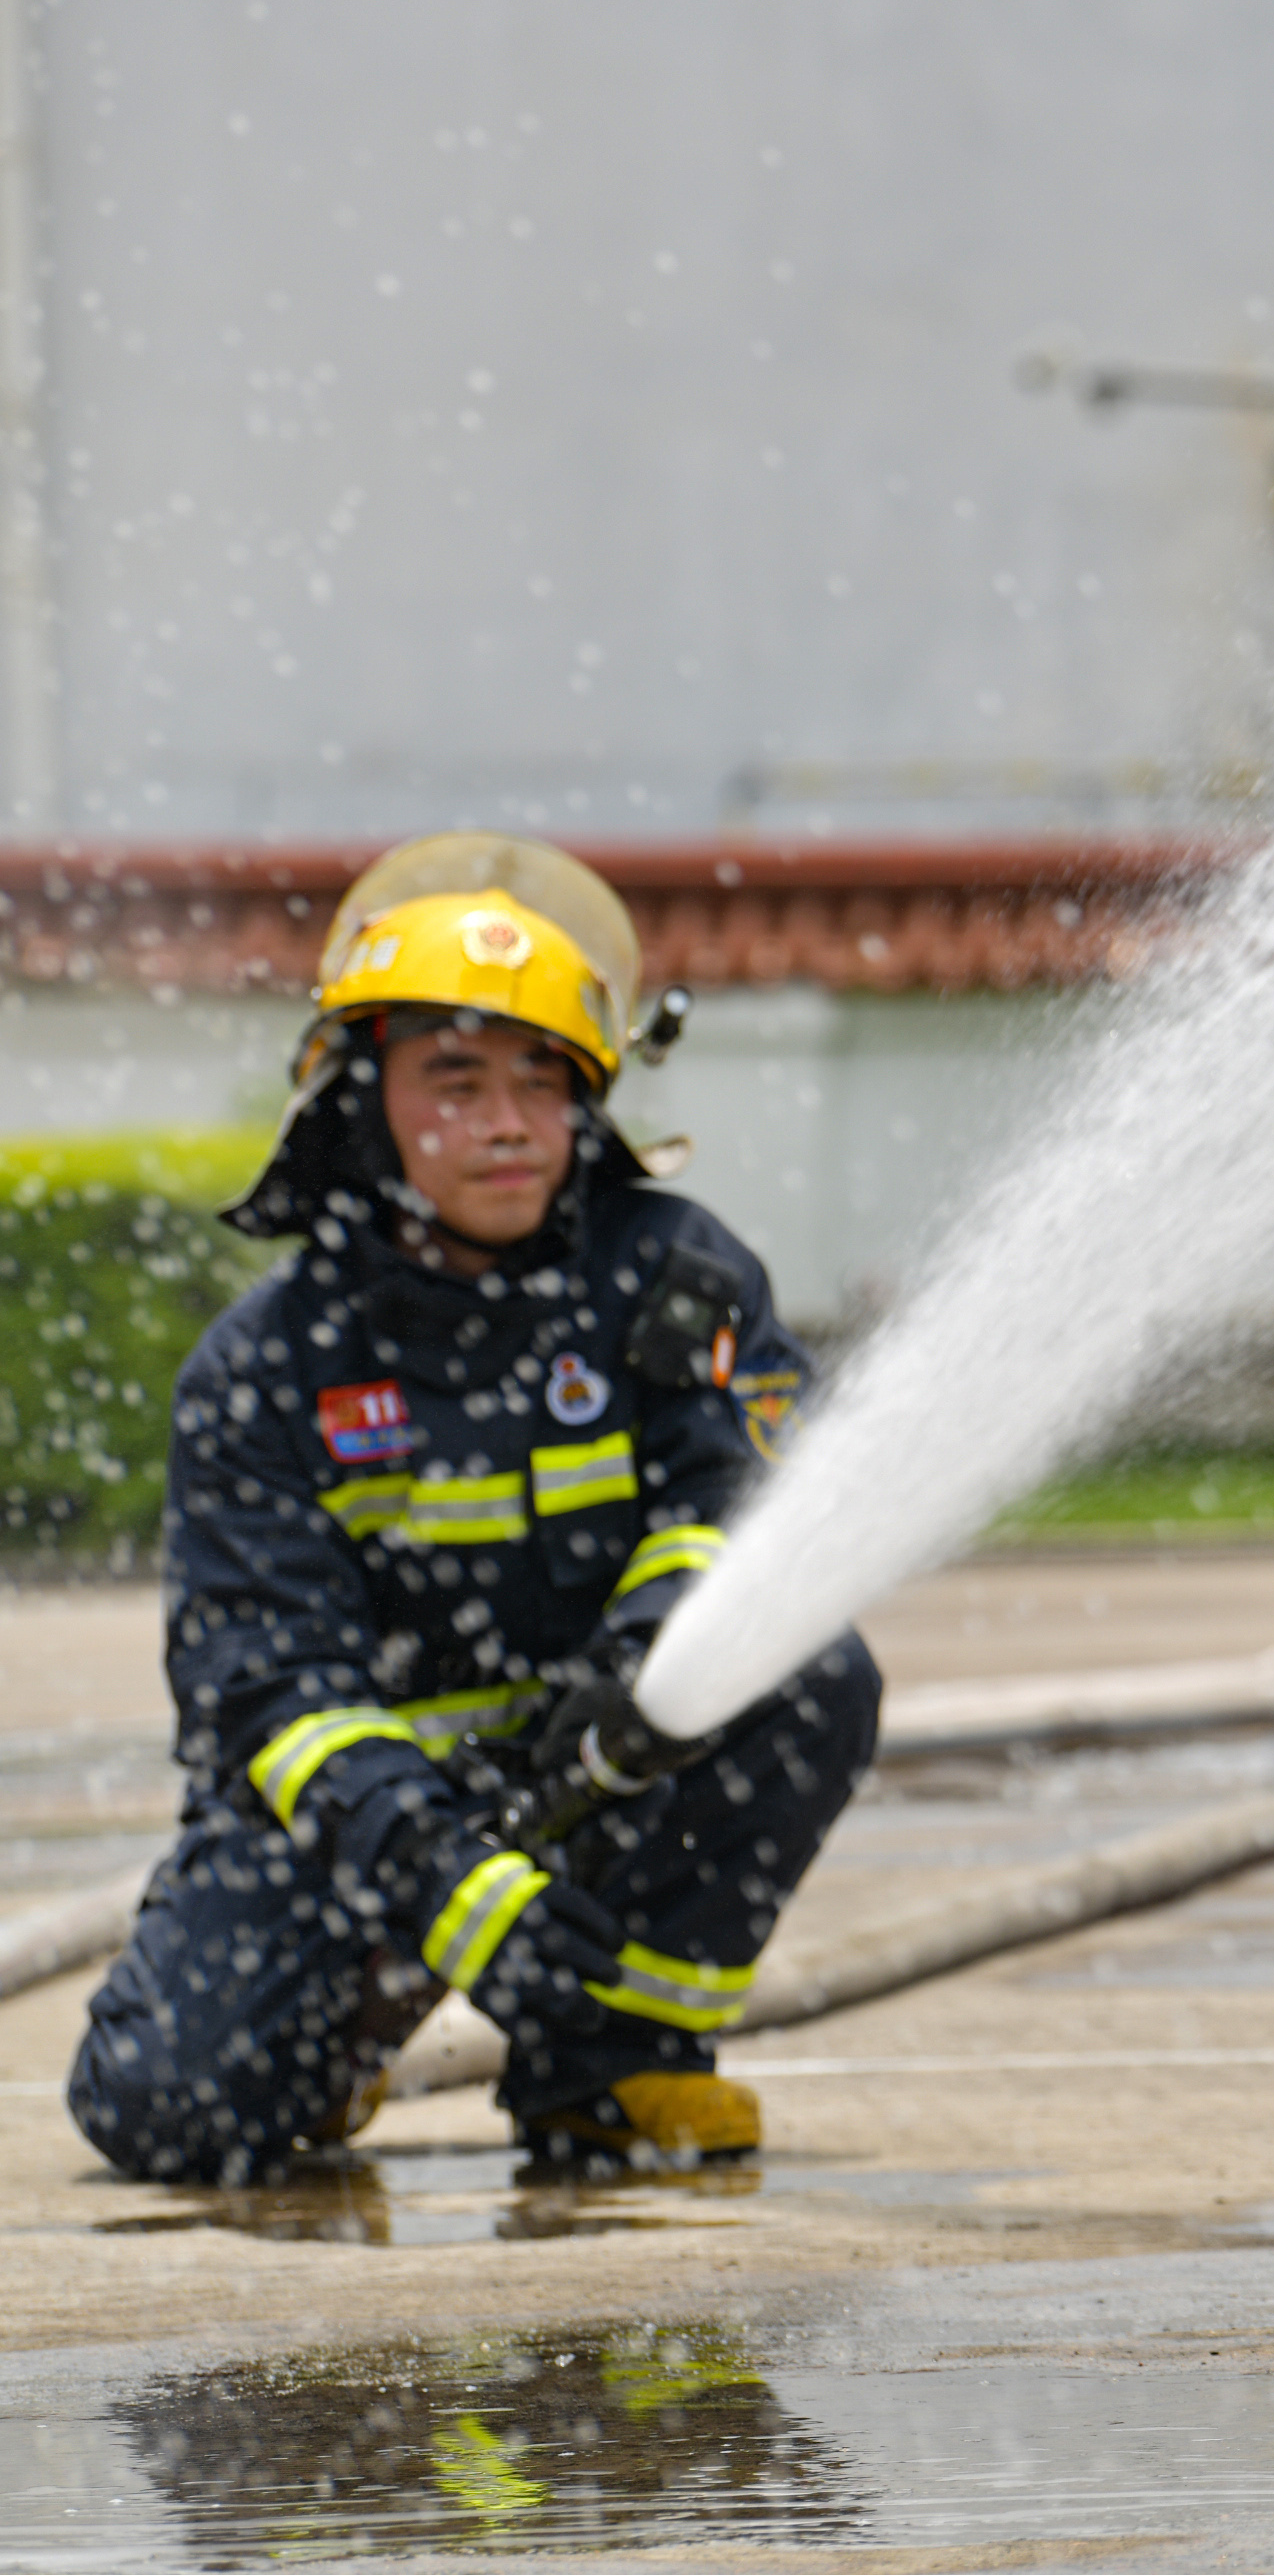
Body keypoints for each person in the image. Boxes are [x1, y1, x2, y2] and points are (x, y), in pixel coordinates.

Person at [69, 834, 877, 2185]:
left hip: (610, 1754)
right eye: (456, 1079)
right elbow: (265, 1693)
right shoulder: (269, 1364)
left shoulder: (673, 1281)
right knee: (169, 2116)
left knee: (809, 1670)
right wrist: (450, 1884)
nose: (508, 1123)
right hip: (361, 1816)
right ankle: (337, 2044)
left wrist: (648, 1662)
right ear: (358, 1102)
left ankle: (614, 2067)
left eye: (542, 1080)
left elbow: (739, 1501)